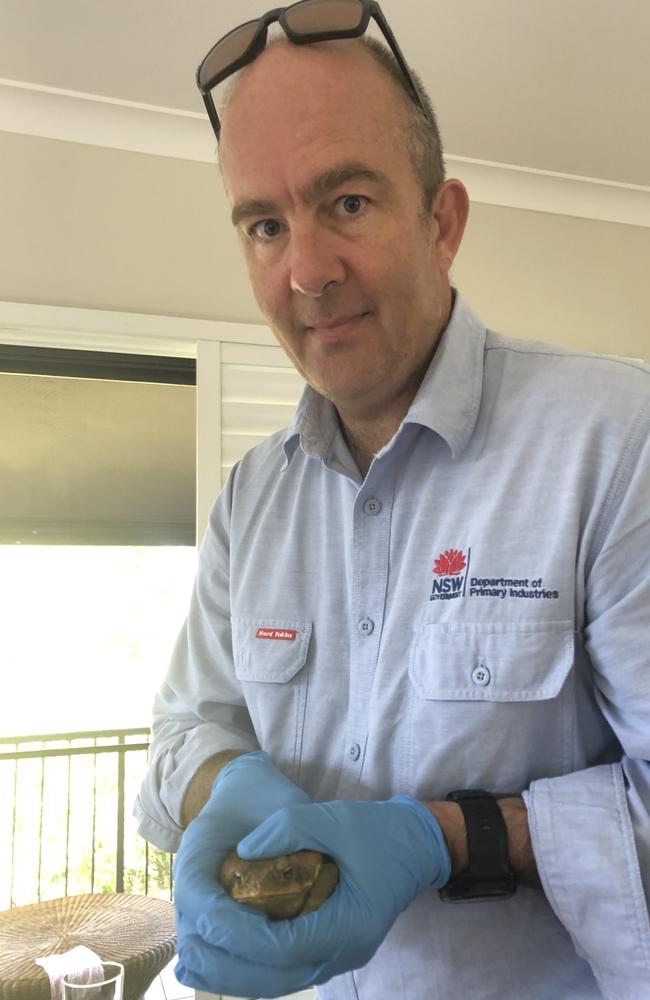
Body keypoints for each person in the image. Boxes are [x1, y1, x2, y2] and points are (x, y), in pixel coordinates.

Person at [135, 3, 650, 997]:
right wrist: (219, 785)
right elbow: (180, 729)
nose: (307, 271)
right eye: (264, 224)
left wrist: (445, 837)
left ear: (441, 220)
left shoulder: (615, 439)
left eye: (348, 204)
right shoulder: (251, 499)